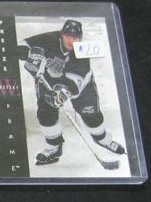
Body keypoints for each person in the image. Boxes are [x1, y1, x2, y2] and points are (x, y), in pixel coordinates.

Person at [17, 19, 125, 165]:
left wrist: (62, 92)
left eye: (75, 38)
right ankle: (54, 147)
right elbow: (22, 45)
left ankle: (103, 140)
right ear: (61, 35)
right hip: (48, 82)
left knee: (92, 116)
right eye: (68, 37)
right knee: (45, 114)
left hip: (81, 86)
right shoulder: (49, 38)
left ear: (80, 39)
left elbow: (76, 80)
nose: (71, 41)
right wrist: (27, 52)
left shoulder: (83, 51)